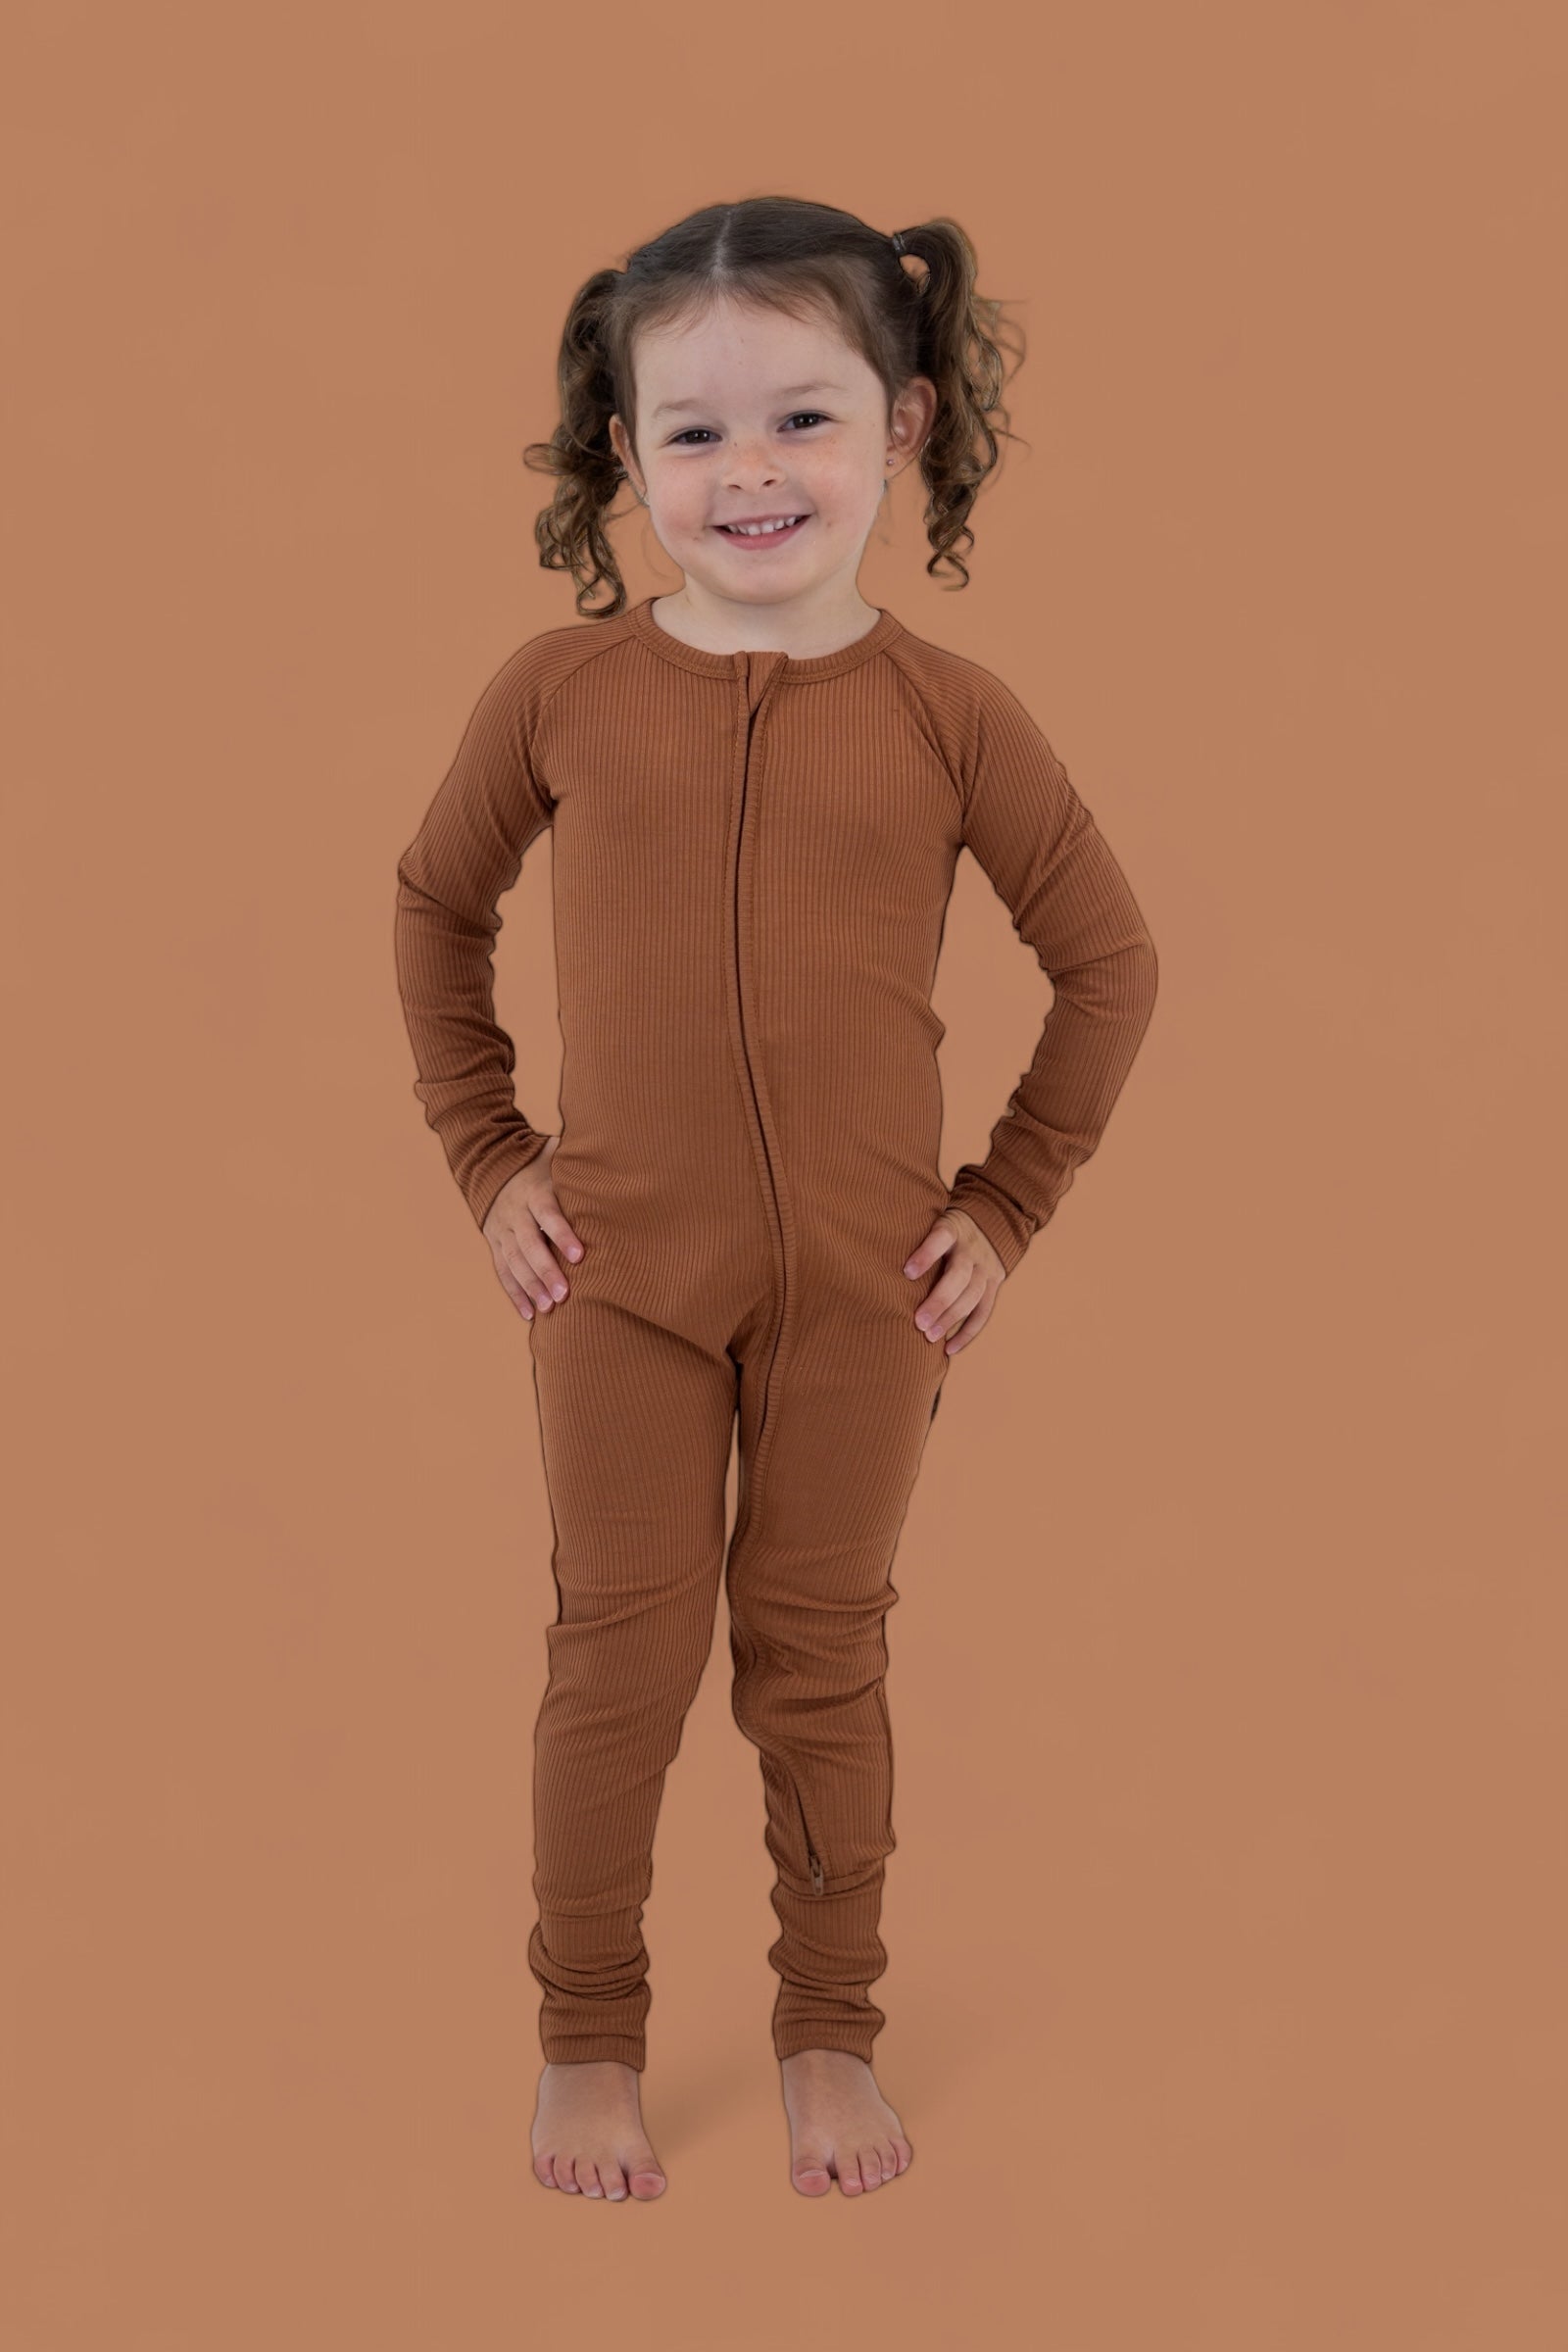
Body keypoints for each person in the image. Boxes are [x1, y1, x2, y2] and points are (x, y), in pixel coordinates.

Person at [393, 195, 1159, 2204]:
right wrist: (486, 1153)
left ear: (903, 424)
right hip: (619, 1283)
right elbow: (434, 903)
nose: (752, 473)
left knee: (819, 1661)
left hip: (863, 1297)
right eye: (695, 432)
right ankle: (587, 2034)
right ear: (622, 453)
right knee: (616, 1662)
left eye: (803, 418)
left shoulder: (951, 713)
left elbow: (1109, 963)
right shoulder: (557, 693)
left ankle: (830, 2025)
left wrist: (1008, 1201)